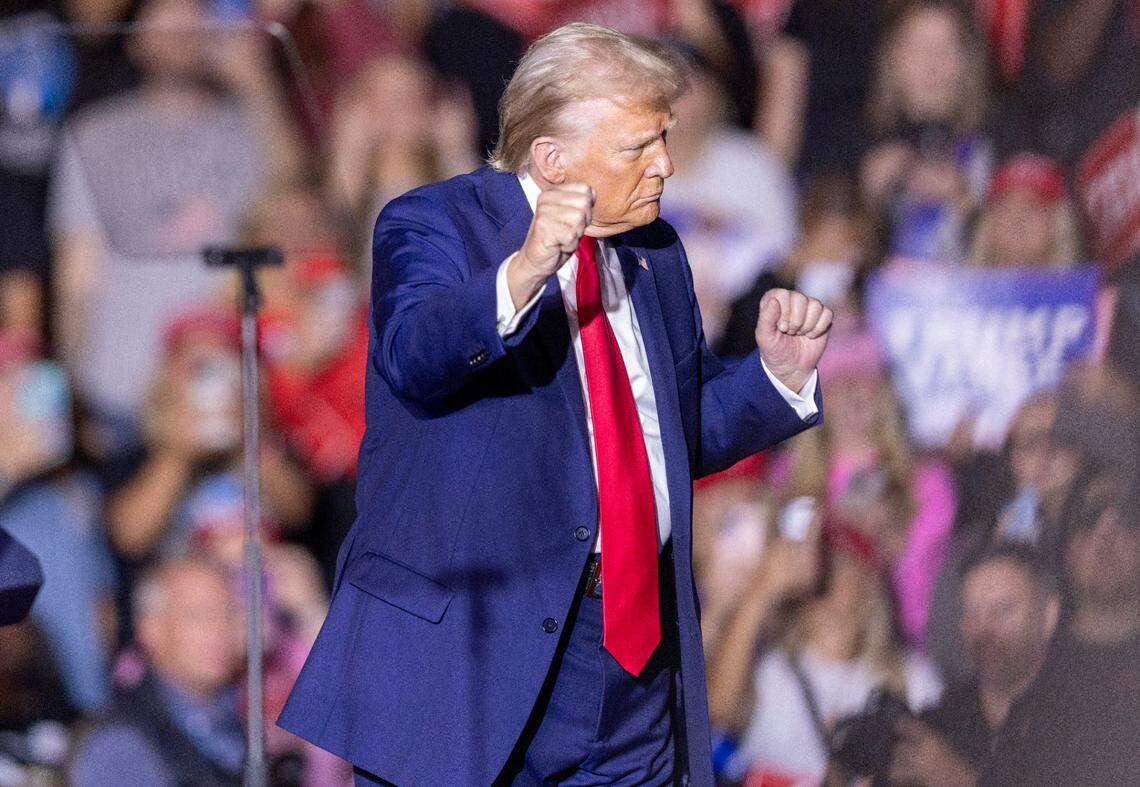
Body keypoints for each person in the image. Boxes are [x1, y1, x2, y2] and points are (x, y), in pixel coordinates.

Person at [279, 22, 831, 786]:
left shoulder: (656, 252)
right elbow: (415, 353)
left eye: (664, 139)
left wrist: (773, 378)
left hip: (631, 658)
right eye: (640, 146)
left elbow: (664, 436)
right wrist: (523, 273)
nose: (666, 165)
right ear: (553, 158)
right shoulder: (434, 223)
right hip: (473, 653)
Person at [706, 518, 942, 785]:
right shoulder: (771, 669)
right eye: (817, 561)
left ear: (867, 582)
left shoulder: (911, 679)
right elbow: (715, 714)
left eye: (835, 562)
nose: (820, 572)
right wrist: (760, 592)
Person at [982, 463, 1140, 784]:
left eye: (1127, 519)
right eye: (1088, 519)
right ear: (1065, 547)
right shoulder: (1032, 679)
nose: (1106, 534)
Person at [888, 545, 1060, 786]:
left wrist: (963, 780)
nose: (984, 628)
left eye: (1003, 610)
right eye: (972, 612)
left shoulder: (1085, 716)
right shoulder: (944, 722)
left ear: (1049, 616)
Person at [70, 556, 246, 787]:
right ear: (151, 630)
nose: (220, 628)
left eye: (230, 613)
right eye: (199, 615)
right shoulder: (122, 744)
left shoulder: (246, 715)